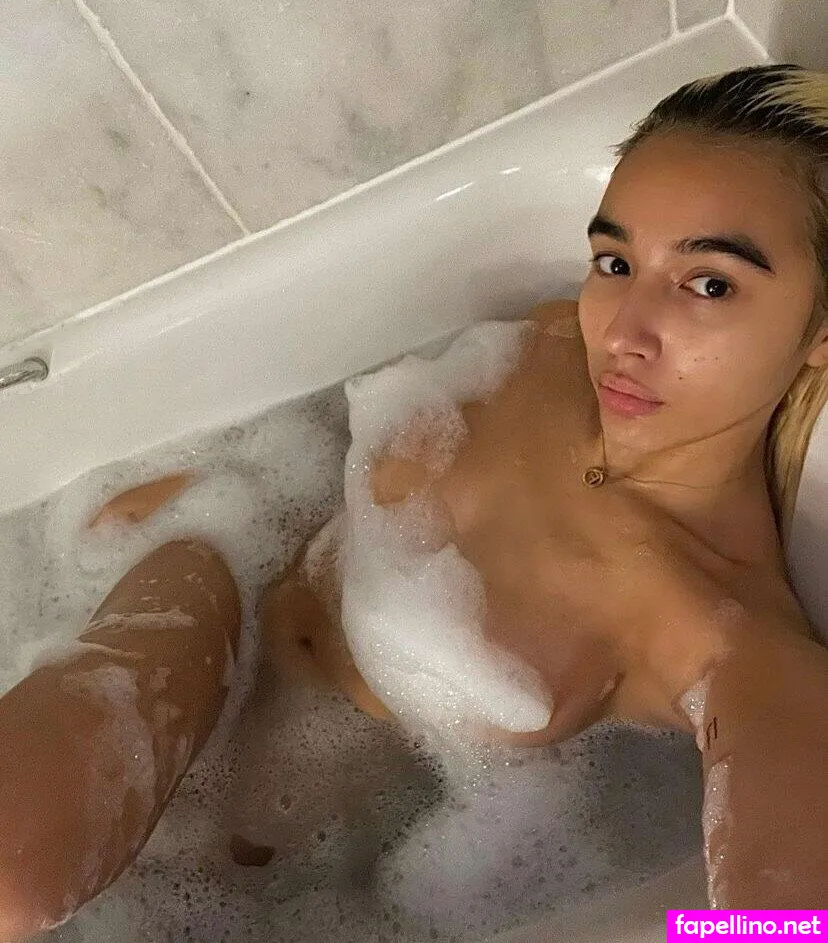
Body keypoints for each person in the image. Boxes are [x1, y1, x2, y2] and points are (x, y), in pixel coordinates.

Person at [1, 63, 827, 938]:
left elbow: (784, 920)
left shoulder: (731, 643)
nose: (621, 331)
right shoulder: (549, 340)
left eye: (709, 283)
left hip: (295, 821)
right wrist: (223, 502)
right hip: (208, 590)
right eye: (615, 262)